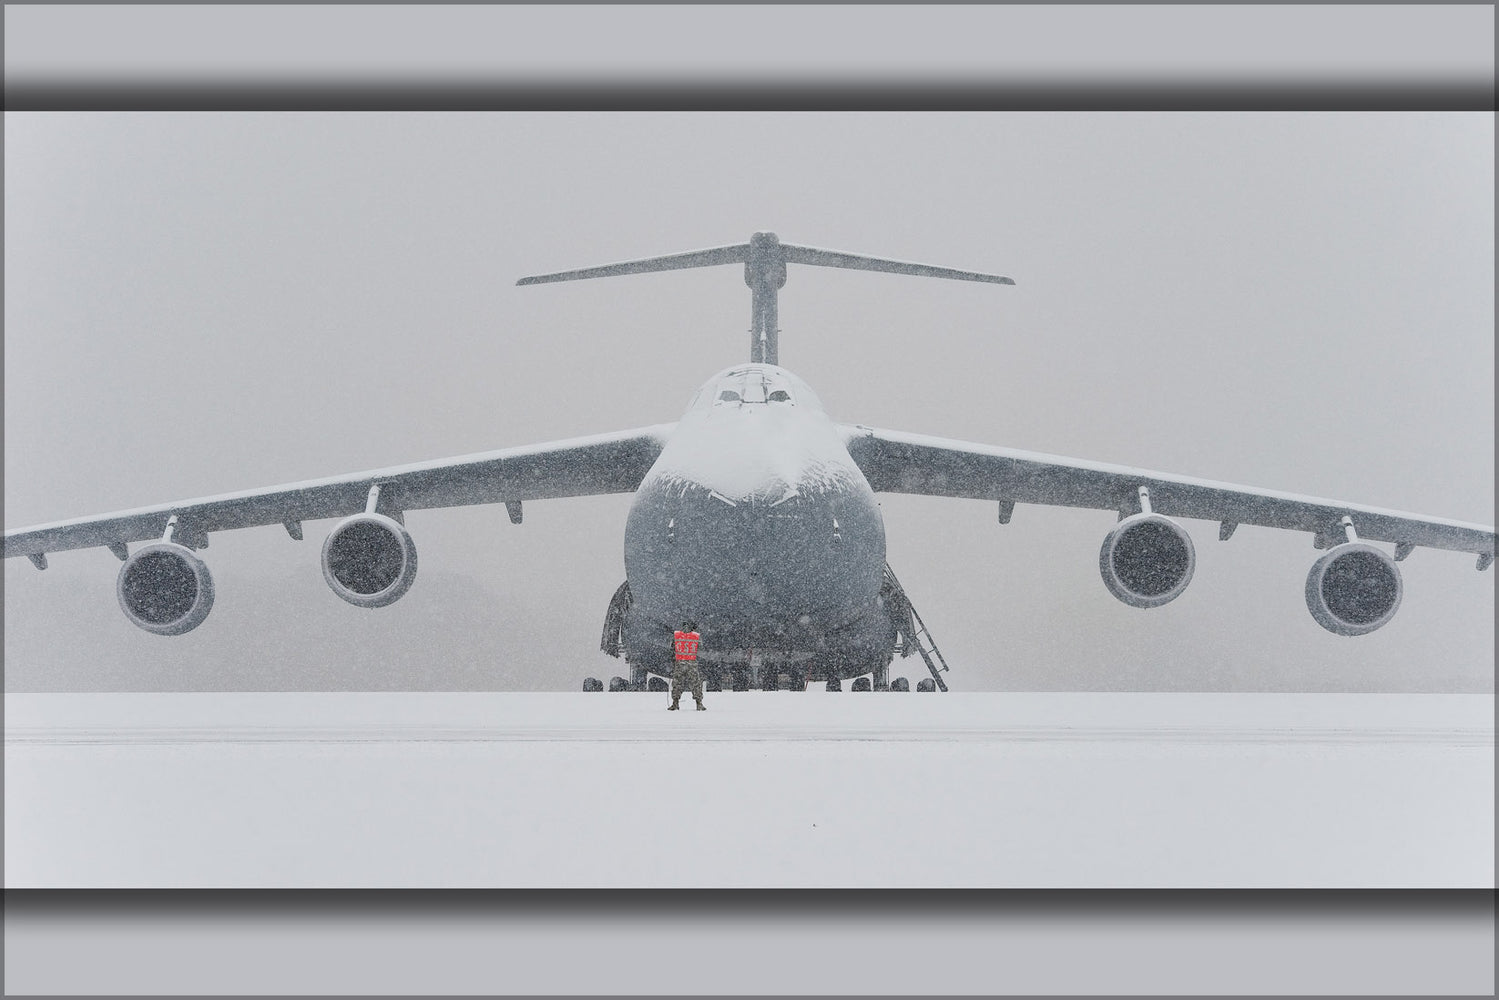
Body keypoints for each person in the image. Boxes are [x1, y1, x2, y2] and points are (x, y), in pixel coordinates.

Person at [670, 621, 705, 711]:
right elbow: (701, 648)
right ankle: (699, 704)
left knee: (677, 683)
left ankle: (675, 703)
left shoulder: (676, 635)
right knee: (696, 683)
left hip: (679, 663)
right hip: (692, 663)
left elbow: (672, 647)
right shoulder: (696, 636)